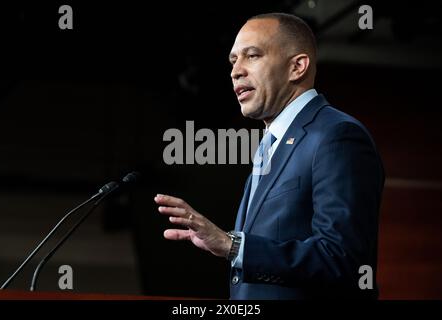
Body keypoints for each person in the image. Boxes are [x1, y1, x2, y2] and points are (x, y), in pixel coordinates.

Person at [154, 12, 384, 299]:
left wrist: (233, 246)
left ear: (297, 67)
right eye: (233, 60)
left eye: (252, 56)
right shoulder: (270, 144)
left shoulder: (337, 136)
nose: (235, 71)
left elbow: (344, 259)